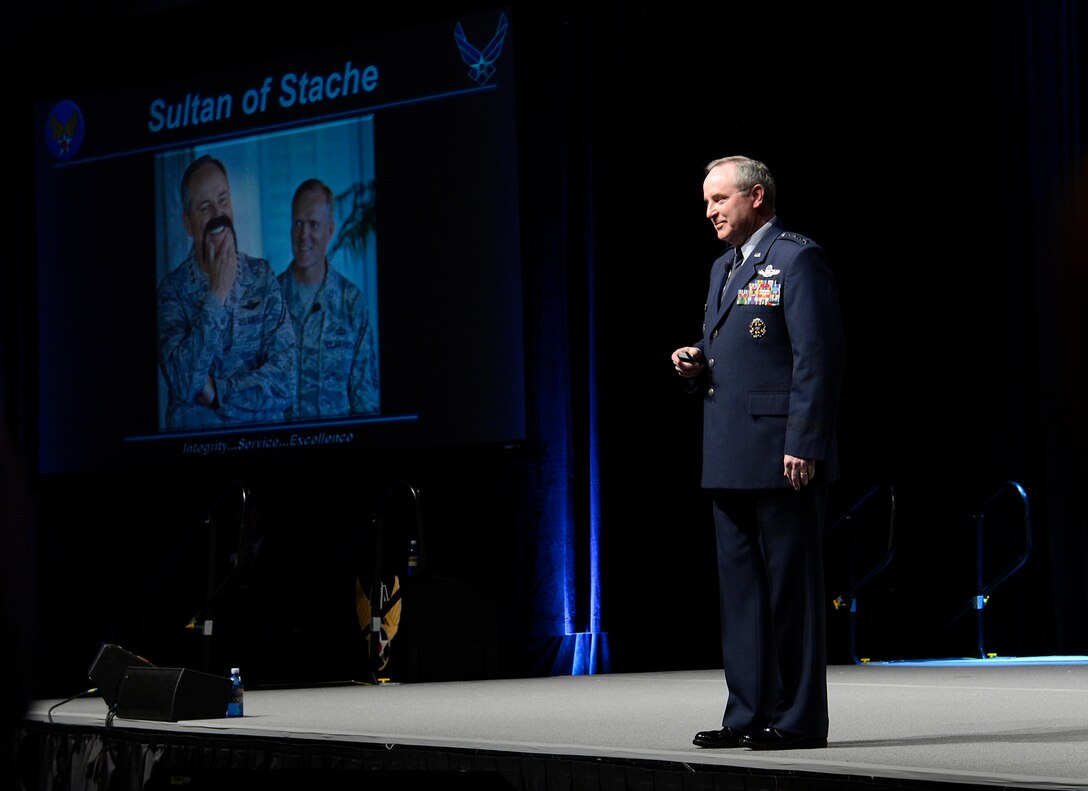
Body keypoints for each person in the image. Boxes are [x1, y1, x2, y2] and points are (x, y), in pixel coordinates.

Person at [672, 155, 844, 751]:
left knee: (791, 592)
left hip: (781, 455)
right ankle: (745, 713)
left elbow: (816, 359)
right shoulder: (724, 266)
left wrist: (805, 441)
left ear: (756, 198)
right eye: (706, 202)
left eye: (720, 200)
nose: (710, 212)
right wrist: (695, 358)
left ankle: (797, 719)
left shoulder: (799, 258)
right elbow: (737, 348)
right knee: (740, 594)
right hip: (727, 453)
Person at [157, 155, 296, 428]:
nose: (218, 214)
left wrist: (218, 393)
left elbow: (287, 381)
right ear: (187, 223)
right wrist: (216, 295)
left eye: (223, 200)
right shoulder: (170, 292)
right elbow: (184, 383)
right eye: (205, 207)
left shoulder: (262, 276)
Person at [278, 178, 379, 419]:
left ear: (330, 231)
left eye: (313, 224)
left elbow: (365, 398)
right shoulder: (269, 299)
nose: (304, 235)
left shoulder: (352, 303)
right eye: (298, 223)